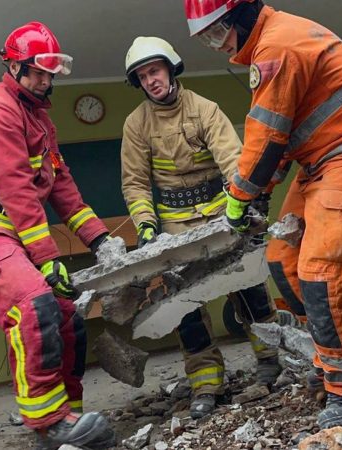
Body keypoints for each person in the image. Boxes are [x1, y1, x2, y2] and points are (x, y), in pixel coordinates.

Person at [184, 0, 342, 428]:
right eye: (206, 37)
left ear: (243, 14)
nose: (216, 44)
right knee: (282, 260)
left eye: (217, 31)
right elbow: (280, 139)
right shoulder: (272, 42)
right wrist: (259, 193)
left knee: (322, 272)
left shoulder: (277, 47)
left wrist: (239, 198)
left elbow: (266, 137)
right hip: (321, 161)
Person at [0, 21, 114, 449]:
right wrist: (48, 256)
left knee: (67, 315)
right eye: (36, 71)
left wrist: (101, 239)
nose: (44, 80)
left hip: (13, 229)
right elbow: (14, 183)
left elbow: (61, 185)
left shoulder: (39, 119)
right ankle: (49, 424)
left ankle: (70, 413)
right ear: (14, 69)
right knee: (33, 305)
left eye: (49, 72)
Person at [120, 36, 281, 419]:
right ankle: (206, 382)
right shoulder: (136, 124)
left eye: (154, 70)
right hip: (175, 226)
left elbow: (231, 157)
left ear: (171, 68)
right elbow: (135, 183)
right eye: (142, 76)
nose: (151, 80)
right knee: (185, 306)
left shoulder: (205, 109)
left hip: (221, 214)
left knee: (248, 287)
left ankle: (271, 358)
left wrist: (240, 207)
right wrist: (145, 227)